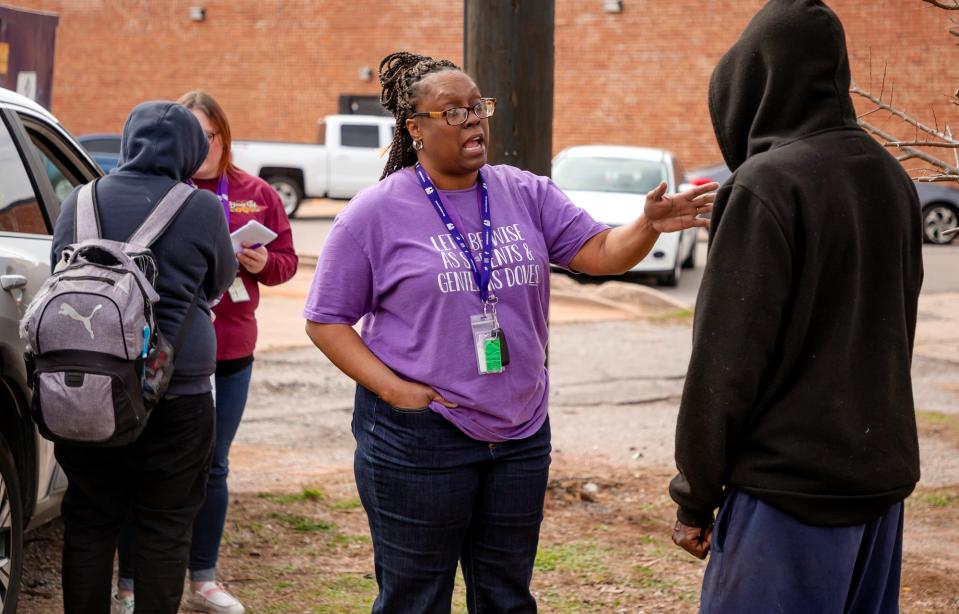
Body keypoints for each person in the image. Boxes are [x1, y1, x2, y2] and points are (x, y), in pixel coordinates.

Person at [304, 51, 717, 614]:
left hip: (520, 433)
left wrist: (646, 225)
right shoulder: (374, 213)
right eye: (453, 112)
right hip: (422, 436)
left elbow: (598, 252)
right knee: (415, 599)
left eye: (478, 106)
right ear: (415, 130)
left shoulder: (523, 191)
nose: (473, 119)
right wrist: (396, 391)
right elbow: (326, 318)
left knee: (506, 597)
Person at [668, 1, 923, 612]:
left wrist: (695, 496)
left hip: (788, 497)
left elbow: (725, 362)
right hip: (878, 489)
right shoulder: (895, 182)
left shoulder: (765, 186)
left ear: (755, 78)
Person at [115, 91, 298, 614]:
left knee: (214, 465)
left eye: (210, 136)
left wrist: (263, 263)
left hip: (229, 347)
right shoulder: (157, 190)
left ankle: (205, 577)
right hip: (155, 351)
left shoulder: (255, 191)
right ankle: (129, 582)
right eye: (192, 136)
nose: (201, 147)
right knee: (142, 463)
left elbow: (286, 260)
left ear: (224, 137)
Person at [51, 101, 236, 614]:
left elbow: (60, 275)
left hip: (88, 386)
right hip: (176, 392)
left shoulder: (80, 200)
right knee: (165, 523)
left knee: (89, 521)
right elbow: (220, 281)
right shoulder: (199, 207)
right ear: (191, 150)